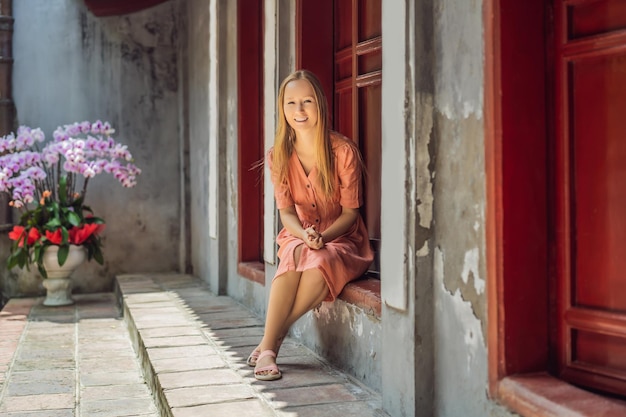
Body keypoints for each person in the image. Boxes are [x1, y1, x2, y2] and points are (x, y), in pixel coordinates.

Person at [249, 69, 374, 381]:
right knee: (291, 258)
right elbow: (287, 213)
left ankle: (270, 342)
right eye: (291, 103)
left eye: (306, 101)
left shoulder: (342, 151)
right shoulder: (278, 155)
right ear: (283, 109)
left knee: (320, 258)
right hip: (300, 232)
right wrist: (304, 234)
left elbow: (350, 213)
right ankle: (270, 346)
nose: (299, 110)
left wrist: (323, 236)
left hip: (342, 237)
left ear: (320, 105)